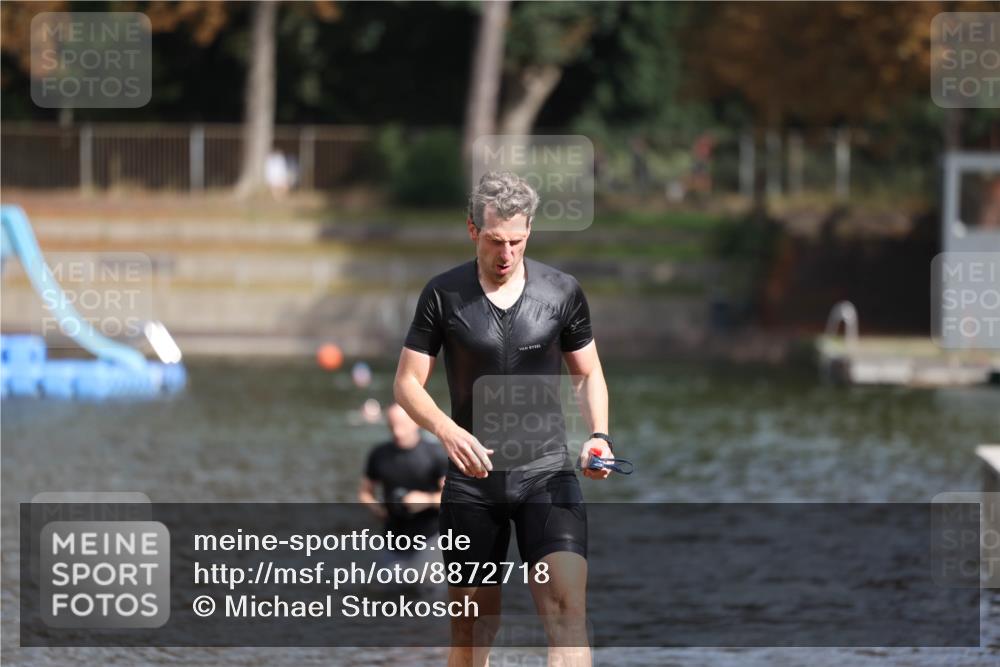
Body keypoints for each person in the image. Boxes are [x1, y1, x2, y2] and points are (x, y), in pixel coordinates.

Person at [393, 171, 613, 667]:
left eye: (516, 240)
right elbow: (406, 384)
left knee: (568, 613)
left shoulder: (562, 292)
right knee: (473, 632)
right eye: (495, 240)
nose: (506, 253)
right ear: (473, 230)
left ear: (529, 230)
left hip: (546, 473)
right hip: (473, 482)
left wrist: (599, 435)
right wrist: (447, 430)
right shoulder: (443, 295)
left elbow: (587, 374)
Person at [358, 403, 449, 551]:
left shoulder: (435, 454)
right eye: (392, 425)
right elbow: (364, 493)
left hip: (430, 538)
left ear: (416, 422)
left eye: (401, 425)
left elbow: (452, 498)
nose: (397, 432)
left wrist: (427, 500)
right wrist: (377, 508)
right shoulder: (379, 454)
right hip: (392, 538)